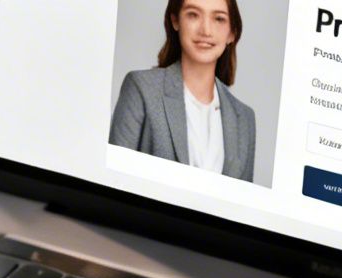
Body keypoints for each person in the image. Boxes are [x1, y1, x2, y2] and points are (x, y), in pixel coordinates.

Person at [109, 0, 257, 182]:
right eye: (193, 14)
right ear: (175, 21)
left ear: (232, 33)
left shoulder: (245, 119)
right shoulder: (141, 88)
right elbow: (112, 182)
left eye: (219, 19)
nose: (206, 30)